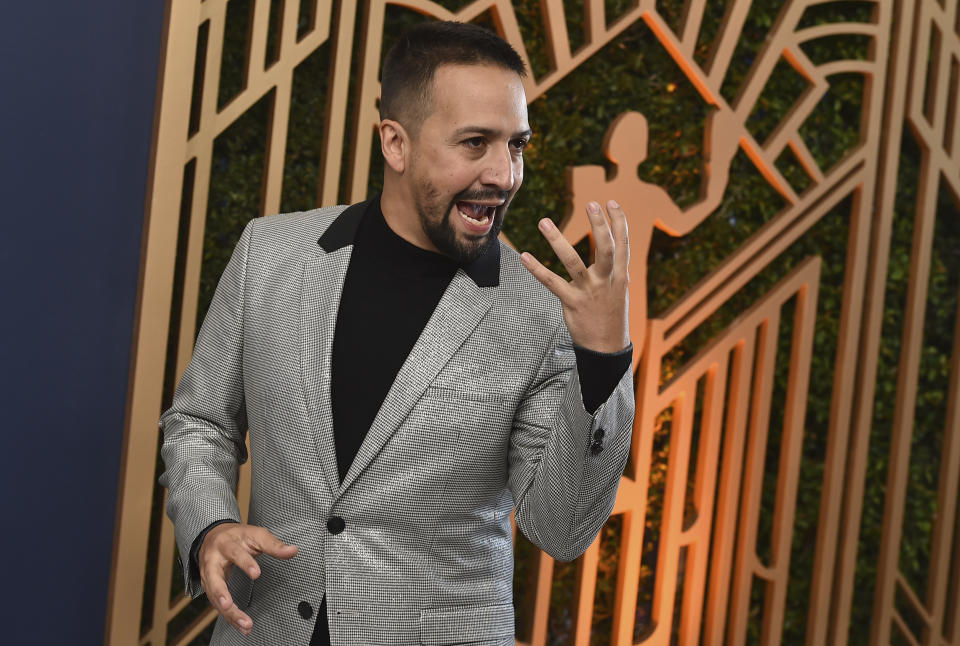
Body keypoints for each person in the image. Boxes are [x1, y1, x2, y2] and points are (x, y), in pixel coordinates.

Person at [159, 20, 635, 646]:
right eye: (475, 143)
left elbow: (562, 526)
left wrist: (603, 359)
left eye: (516, 145)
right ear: (396, 143)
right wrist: (210, 526)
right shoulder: (268, 254)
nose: (504, 173)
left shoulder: (540, 312)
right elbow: (200, 424)